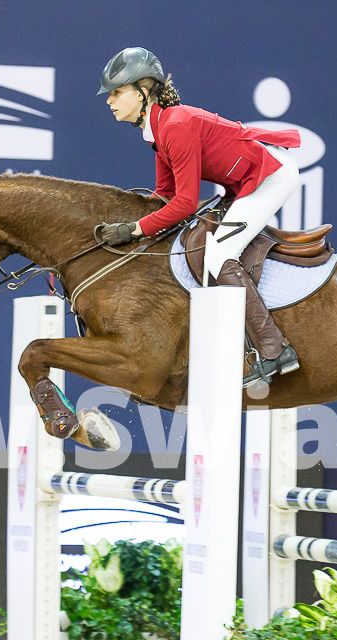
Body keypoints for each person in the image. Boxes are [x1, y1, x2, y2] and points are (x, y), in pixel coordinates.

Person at [96, 47, 301, 386]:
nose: (109, 100)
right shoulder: (158, 130)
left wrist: (134, 230)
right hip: (245, 181)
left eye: (117, 92)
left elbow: (185, 204)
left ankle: (274, 348)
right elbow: (164, 195)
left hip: (271, 176)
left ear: (143, 91)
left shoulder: (174, 127)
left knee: (218, 255)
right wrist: (123, 220)